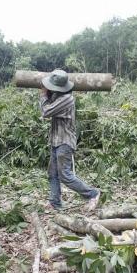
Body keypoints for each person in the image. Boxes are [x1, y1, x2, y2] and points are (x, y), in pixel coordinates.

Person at [39, 69, 100, 211]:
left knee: (65, 175)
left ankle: (93, 194)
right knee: (52, 173)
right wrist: (47, 94)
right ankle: (55, 202)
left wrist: (43, 95)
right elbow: (48, 107)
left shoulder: (67, 99)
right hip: (56, 140)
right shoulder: (57, 96)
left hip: (64, 142)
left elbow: (45, 112)